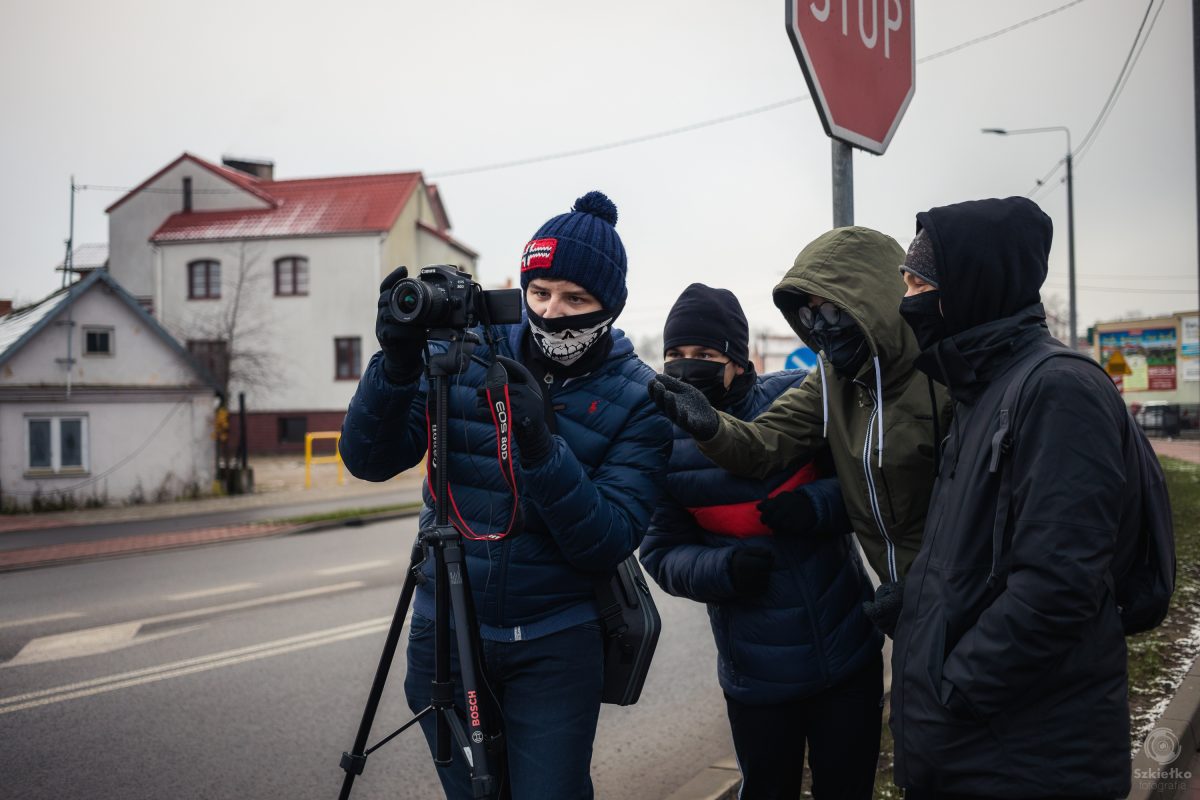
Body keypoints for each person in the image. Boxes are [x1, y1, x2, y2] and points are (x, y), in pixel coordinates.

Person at [339, 191, 672, 800]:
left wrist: (542, 448)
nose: (551, 312)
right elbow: (368, 460)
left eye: (576, 299)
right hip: (444, 629)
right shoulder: (465, 351)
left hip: (554, 640)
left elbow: (608, 540)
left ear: (611, 306)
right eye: (539, 292)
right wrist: (396, 365)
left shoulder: (640, 398)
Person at [889, 197, 1136, 799]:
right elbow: (978, 555)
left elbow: (1059, 582)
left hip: (1027, 754)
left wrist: (959, 685)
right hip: (983, 748)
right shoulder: (983, 390)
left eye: (923, 281)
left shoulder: (1058, 390)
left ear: (975, 284)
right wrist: (919, 609)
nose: (908, 299)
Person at [639, 283, 883, 800]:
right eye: (675, 356)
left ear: (738, 358)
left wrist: (813, 507)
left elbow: (867, 489)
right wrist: (722, 570)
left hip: (845, 657)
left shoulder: (798, 401)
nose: (687, 367)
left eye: (704, 355)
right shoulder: (663, 443)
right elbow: (661, 552)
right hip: (757, 678)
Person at [647, 227, 951, 635]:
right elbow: (763, 445)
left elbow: (974, 511)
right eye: (809, 314)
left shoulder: (947, 372)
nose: (820, 326)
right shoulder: (832, 378)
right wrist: (713, 428)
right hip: (891, 616)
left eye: (831, 310)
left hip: (946, 605)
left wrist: (815, 506)